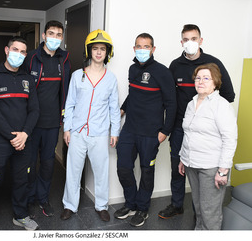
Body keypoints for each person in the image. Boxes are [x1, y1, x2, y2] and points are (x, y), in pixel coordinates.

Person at [158, 24, 236, 219]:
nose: (190, 43)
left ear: (201, 41)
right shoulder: (175, 65)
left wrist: (209, 115)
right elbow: (169, 96)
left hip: (206, 130)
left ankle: (200, 213)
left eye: (194, 39)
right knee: (178, 168)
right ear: (181, 42)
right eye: (186, 39)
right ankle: (177, 205)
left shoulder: (213, 63)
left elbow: (228, 95)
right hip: (180, 126)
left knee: (204, 173)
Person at [114, 33, 177, 227]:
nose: (142, 50)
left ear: (153, 49)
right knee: (123, 168)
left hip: (151, 133)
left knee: (146, 172)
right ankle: (131, 203)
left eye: (146, 46)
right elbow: (133, 94)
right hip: (129, 130)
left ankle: (142, 208)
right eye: (139, 46)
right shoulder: (132, 69)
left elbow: (171, 103)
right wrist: (122, 110)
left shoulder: (163, 72)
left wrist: (165, 131)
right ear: (134, 49)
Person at [60, 29, 120, 222]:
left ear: (107, 52)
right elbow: (69, 104)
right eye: (95, 48)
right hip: (77, 132)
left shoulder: (110, 79)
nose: (99, 52)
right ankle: (70, 205)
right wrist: (67, 129)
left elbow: (114, 108)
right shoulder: (78, 75)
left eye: (103, 49)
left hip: (100, 133)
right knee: (73, 171)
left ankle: (101, 205)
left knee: (102, 171)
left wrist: (115, 132)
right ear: (89, 51)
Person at [0, 37, 39, 230]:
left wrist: (24, 134)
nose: (19, 54)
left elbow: (34, 110)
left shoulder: (28, 79)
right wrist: (12, 136)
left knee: (22, 180)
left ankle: (21, 215)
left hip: (24, 140)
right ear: (7, 50)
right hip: (0, 140)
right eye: (15, 49)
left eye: (23, 52)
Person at [178, 63, 237, 230]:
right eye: (198, 78)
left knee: (209, 211)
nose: (201, 81)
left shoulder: (221, 105)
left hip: (211, 167)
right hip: (191, 163)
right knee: (198, 206)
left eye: (206, 78)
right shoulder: (192, 103)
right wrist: (183, 158)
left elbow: (230, 139)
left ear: (215, 82)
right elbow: (188, 133)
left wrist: (223, 170)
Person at [24, 20, 70, 217]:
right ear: (43, 36)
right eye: (51, 34)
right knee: (29, 164)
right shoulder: (31, 57)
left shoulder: (64, 59)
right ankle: (28, 198)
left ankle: (43, 198)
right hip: (31, 123)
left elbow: (66, 91)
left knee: (48, 164)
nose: (55, 38)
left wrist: (64, 121)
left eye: (58, 35)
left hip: (52, 124)